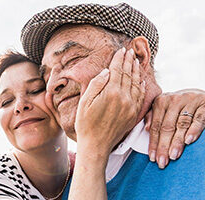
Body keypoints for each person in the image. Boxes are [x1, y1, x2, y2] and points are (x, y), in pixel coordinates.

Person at [20, 2, 205, 199]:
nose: (52, 85)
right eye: (45, 78)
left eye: (72, 59)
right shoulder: (63, 191)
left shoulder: (197, 141)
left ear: (138, 56)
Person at [0, 50, 205, 199]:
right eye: (6, 101)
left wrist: (189, 98)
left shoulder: (95, 162)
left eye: (36, 90)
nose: (20, 106)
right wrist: (93, 144)